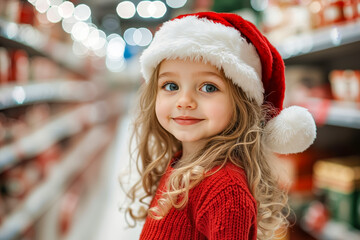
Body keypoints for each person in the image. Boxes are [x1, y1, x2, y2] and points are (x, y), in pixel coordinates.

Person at [125, 12, 316, 240]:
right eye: (171, 85)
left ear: (240, 103)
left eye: (208, 87)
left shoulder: (225, 191)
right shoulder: (180, 162)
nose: (184, 101)